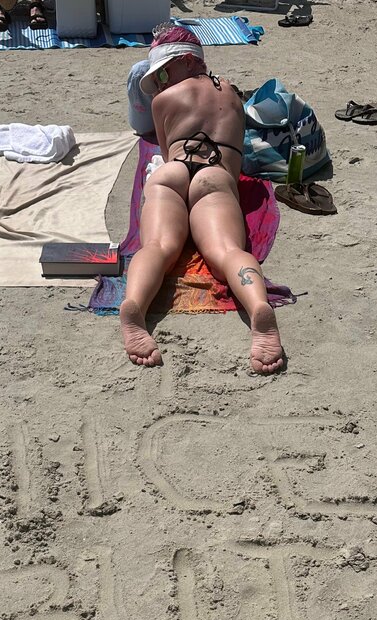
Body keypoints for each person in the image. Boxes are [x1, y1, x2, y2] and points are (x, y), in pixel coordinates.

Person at [119, 27, 285, 376]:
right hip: (215, 175)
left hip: (173, 173)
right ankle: (258, 307)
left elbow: (167, 152)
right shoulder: (234, 96)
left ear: (188, 60)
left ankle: (134, 306)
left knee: (159, 246)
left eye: (163, 73)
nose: (160, 82)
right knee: (226, 251)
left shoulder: (162, 100)